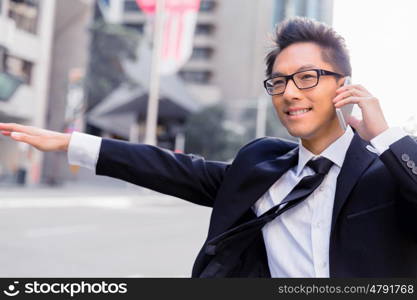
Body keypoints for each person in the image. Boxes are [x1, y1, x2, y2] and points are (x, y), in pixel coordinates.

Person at [1, 17, 417, 277]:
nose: (290, 93)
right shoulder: (262, 167)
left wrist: (386, 136)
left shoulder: (387, 169)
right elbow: (171, 168)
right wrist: (71, 142)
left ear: (344, 86)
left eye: (307, 77)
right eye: (279, 82)